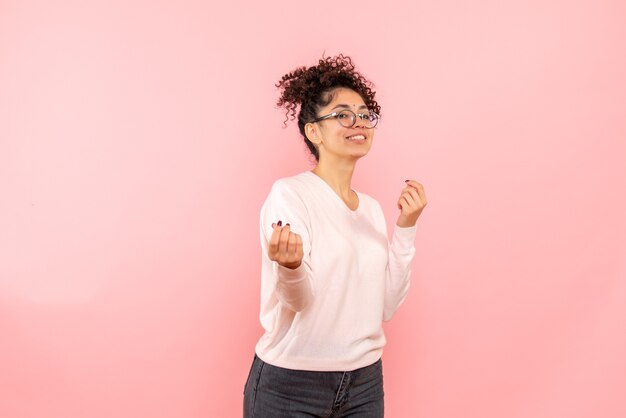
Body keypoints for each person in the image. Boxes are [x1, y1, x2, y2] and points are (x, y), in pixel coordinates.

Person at [243, 54, 427, 417]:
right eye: (342, 114)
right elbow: (298, 302)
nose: (358, 123)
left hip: (364, 383)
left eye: (364, 114)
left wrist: (406, 226)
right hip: (291, 385)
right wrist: (292, 267)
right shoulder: (291, 195)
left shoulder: (372, 209)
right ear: (314, 131)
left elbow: (386, 305)